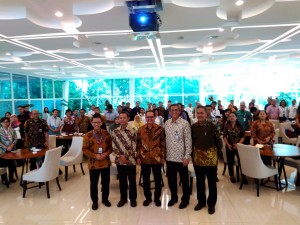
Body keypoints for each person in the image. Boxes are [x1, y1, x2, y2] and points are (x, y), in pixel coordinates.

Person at [191, 106, 222, 215]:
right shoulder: (193, 127)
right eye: (198, 113)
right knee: (199, 182)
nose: (199, 115)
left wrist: (217, 156)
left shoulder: (213, 126)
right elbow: (192, 142)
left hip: (211, 159)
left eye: (202, 113)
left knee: (212, 183)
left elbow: (219, 142)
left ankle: (211, 204)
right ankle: (201, 202)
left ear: (206, 114)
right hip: (198, 159)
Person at [82, 114, 112, 210]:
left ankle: (105, 199)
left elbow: (111, 148)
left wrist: (106, 153)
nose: (96, 124)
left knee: (106, 182)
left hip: (105, 162)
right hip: (93, 164)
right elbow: (85, 150)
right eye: (94, 122)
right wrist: (95, 155)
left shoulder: (106, 134)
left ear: (101, 123)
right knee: (93, 183)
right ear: (91, 123)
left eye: (98, 122)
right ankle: (95, 201)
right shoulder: (88, 135)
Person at [164, 104, 192, 209]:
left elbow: (188, 141)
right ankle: (174, 197)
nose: (174, 112)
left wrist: (187, 156)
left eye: (176, 110)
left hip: (181, 157)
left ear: (180, 111)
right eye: (172, 110)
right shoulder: (166, 123)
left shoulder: (185, 124)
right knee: (171, 179)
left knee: (184, 180)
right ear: (170, 112)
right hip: (169, 157)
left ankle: (185, 199)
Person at [137, 110, 166, 207]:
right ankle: (148, 198)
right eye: (147, 117)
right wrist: (138, 157)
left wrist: (163, 156)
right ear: (145, 118)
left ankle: (157, 198)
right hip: (145, 158)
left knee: (158, 179)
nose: (149, 119)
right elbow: (138, 145)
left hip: (156, 158)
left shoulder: (160, 129)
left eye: (151, 117)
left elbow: (163, 144)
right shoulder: (141, 129)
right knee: (146, 179)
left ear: (154, 117)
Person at [111, 111, 137, 207]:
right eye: (120, 117)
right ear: (118, 119)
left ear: (128, 118)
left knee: (132, 180)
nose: (122, 119)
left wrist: (126, 156)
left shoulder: (133, 130)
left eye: (124, 117)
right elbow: (113, 145)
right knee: (122, 180)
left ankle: (133, 199)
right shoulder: (115, 131)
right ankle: (123, 199)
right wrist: (120, 156)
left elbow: (134, 146)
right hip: (119, 160)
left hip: (131, 160)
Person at [223, 112, 245, 183]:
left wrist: (239, 144)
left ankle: (243, 175)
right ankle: (231, 175)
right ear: (229, 118)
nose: (232, 117)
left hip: (239, 145)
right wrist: (228, 144)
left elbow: (243, 136)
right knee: (230, 161)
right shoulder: (226, 125)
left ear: (236, 117)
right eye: (230, 116)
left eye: (233, 116)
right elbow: (224, 136)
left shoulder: (240, 125)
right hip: (230, 145)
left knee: (242, 160)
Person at [0, 117, 18, 183]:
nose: (6, 123)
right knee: (3, 164)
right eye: (4, 122)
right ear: (1, 123)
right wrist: (5, 147)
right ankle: (4, 179)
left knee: (11, 164)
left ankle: (11, 177)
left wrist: (11, 146)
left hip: (11, 149)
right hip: (2, 150)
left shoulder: (12, 130)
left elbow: (16, 139)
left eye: (7, 121)